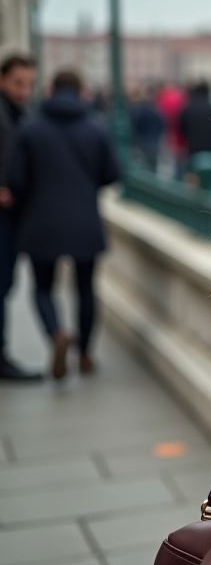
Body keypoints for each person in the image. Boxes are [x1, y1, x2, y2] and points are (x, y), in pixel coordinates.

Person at [7, 70, 119, 379]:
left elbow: (16, 179)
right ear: (82, 90)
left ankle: (57, 335)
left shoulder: (30, 129)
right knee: (85, 288)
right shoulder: (96, 127)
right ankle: (84, 355)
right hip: (84, 220)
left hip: (40, 222)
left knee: (43, 287)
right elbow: (112, 174)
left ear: (50, 90)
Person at [0, 54, 39, 380]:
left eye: (29, 84)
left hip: (11, 214)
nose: (25, 90)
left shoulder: (17, 112)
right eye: (18, 83)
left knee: (5, 284)